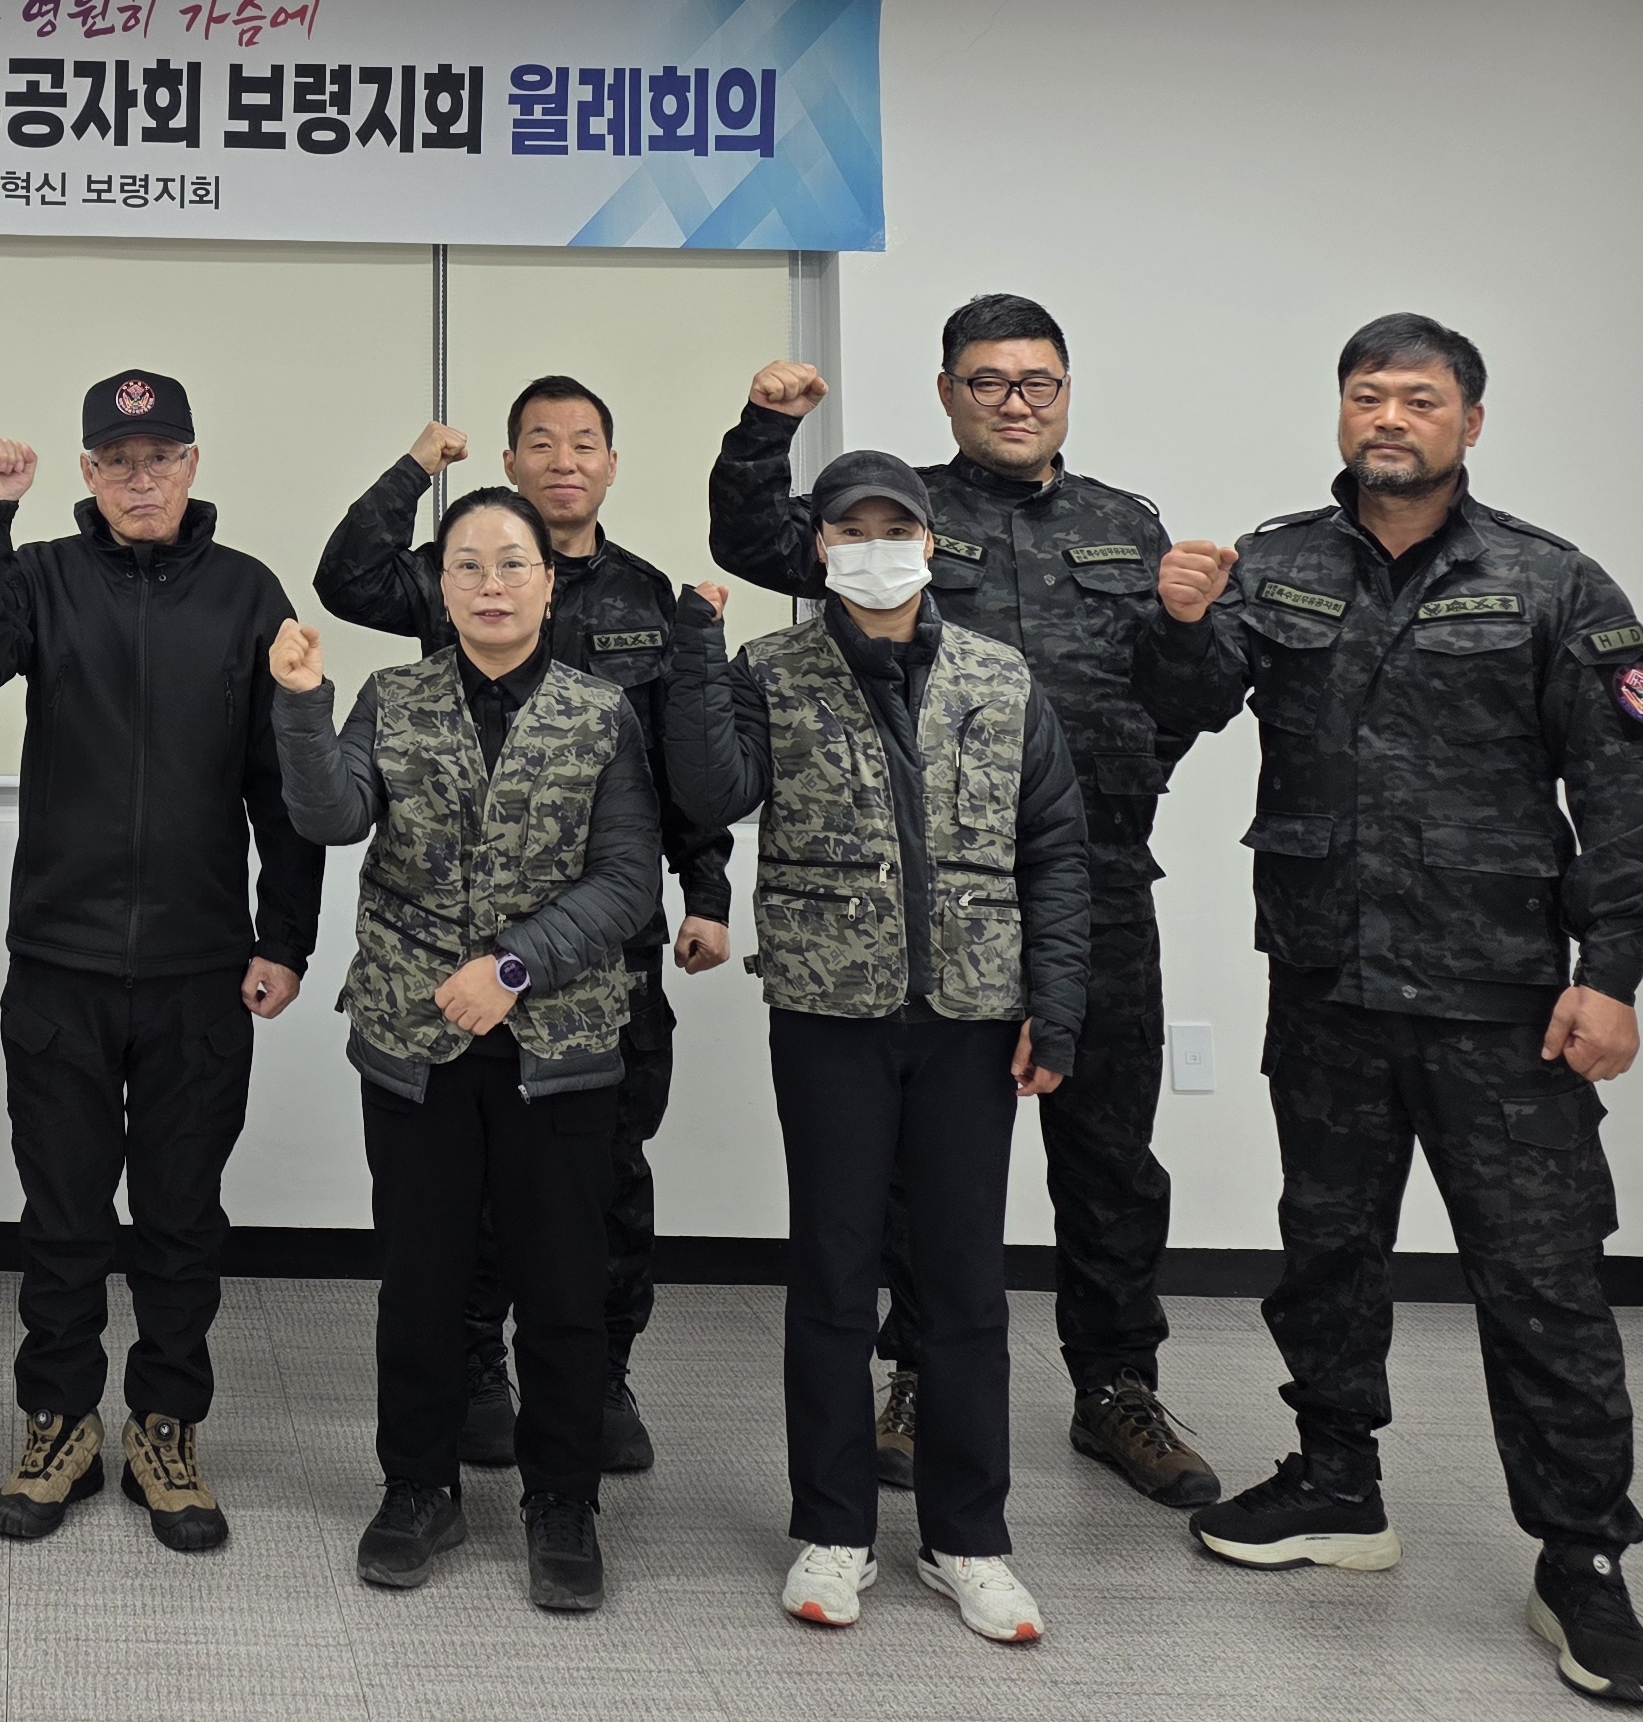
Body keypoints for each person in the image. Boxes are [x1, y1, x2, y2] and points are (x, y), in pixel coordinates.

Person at [1150, 314, 1643, 1712]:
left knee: (1543, 1280)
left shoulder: (1550, 581)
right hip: (1327, 980)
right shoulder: (1277, 563)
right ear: (1341, 413)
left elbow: (1627, 794)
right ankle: (1338, 1482)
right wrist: (1183, 622)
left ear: (1470, 422)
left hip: (1501, 998)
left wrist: (1612, 972)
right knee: (1327, 1250)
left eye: (1420, 399)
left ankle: (1582, 1555)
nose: (1390, 417)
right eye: (1367, 395)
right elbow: (1176, 713)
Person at [711, 299, 1233, 1508]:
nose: (1014, 402)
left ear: (1066, 391)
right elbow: (752, 538)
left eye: (1037, 381)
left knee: (1108, 1149)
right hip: (925, 894)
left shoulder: (1124, 526)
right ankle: (913, 1376)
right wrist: (761, 433)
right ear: (947, 393)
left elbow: (1196, 696)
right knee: (917, 1166)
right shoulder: (898, 518)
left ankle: (1117, 1386)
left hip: (1095, 874)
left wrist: (1188, 626)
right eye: (987, 382)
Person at [674, 449, 1085, 1648]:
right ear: (818, 549)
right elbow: (710, 793)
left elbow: (1055, 850)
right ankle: (832, 1529)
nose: (873, 550)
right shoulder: (770, 670)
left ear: (928, 542)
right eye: (848, 532)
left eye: (892, 530)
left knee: (962, 1286)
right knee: (833, 1276)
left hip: (971, 1016)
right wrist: (698, 656)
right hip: (829, 1013)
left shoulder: (999, 676)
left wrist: (1055, 1006)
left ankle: (969, 1540)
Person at [0, 369, 324, 1557]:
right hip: (62, 959)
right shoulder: (43, 577)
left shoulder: (247, 593)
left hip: (201, 967)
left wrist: (284, 937)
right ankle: (57, 1421)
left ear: (192, 463)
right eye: (115, 462)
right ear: (88, 473)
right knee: (62, 1215)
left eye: (159, 459)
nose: (138, 480)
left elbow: (282, 785)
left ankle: (165, 1426)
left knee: (179, 1215)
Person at [315, 376, 726, 1476]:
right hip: (454, 954)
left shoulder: (645, 594)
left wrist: (708, 892)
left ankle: (600, 1376)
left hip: (600, 947)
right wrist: (413, 468)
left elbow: (674, 766)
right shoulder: (459, 575)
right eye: (538, 443)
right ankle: (472, 1376)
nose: (562, 461)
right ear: (509, 462)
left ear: (611, 464)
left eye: (584, 443)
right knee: (458, 1200)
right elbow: (345, 577)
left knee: (602, 1179)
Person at [275, 490, 665, 1615]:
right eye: (466, 566)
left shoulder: (601, 712)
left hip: (559, 1045)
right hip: (414, 1039)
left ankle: (562, 1503)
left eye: (511, 563)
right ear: (439, 588)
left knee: (561, 1286)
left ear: (549, 581)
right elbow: (330, 817)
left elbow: (628, 880)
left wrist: (515, 966)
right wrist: (300, 707)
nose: (490, 584)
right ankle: (418, 1487)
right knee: (423, 1282)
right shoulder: (392, 698)